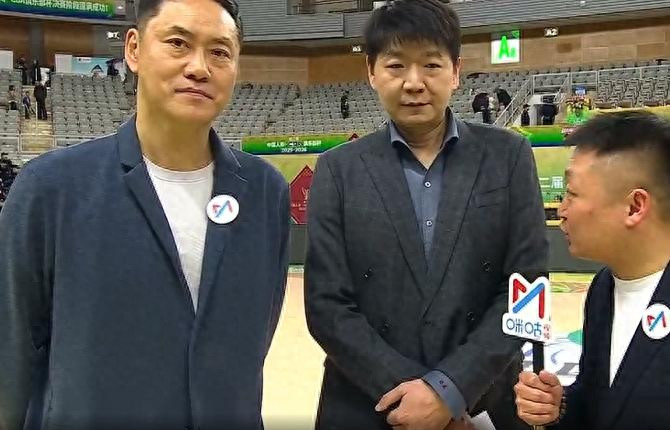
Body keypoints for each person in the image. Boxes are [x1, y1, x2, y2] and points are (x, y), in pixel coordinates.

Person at [0, 0, 290, 429]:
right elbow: (12, 350)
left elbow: (254, 336)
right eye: (178, 43)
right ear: (133, 49)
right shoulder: (51, 187)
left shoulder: (265, 191)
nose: (199, 68)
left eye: (219, 52)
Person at [304, 2, 548, 430]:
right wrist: (420, 398)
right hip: (367, 403)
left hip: (483, 401)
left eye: (431, 65)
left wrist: (450, 391)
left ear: (455, 72)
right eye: (396, 66)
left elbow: (526, 289)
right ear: (371, 72)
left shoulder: (508, 156)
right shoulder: (337, 169)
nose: (414, 83)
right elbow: (326, 306)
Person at [514, 111, 670, 430]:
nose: (561, 210)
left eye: (571, 194)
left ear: (634, 207)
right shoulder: (602, 289)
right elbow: (597, 404)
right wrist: (559, 406)